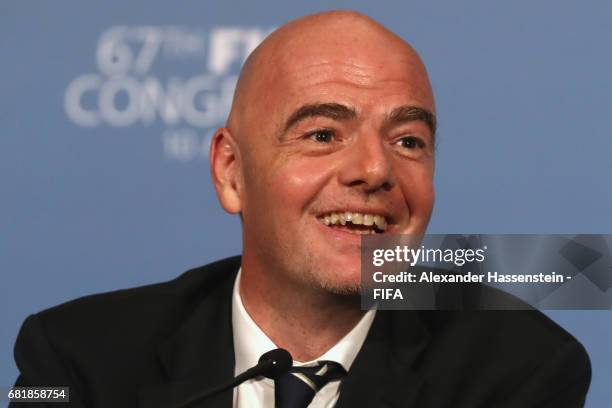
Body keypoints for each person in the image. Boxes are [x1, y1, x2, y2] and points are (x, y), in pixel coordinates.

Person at [11, 10, 590, 408]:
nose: (376, 170)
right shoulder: (76, 358)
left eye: (408, 141)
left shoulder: (519, 370)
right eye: (321, 135)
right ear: (231, 171)